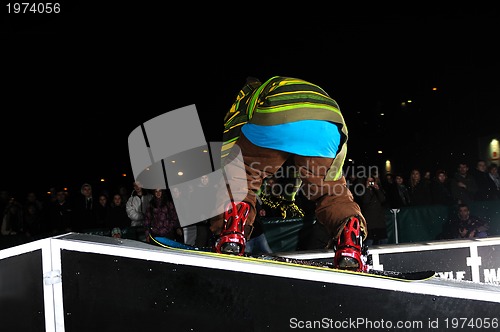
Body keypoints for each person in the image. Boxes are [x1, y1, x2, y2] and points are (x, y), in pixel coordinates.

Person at [210, 76, 367, 271]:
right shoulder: (290, 86)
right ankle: (349, 241)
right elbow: (314, 168)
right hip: (330, 123)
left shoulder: (245, 99)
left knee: (242, 177)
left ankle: (231, 232)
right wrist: (292, 196)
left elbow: (231, 147)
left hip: (277, 113)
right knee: (331, 193)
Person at [360, 176, 388, 246]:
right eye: (368, 181)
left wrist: (377, 189)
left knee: (383, 240)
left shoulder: (378, 190)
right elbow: (365, 201)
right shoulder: (362, 191)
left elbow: (383, 200)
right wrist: (367, 189)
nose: (370, 183)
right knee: (369, 241)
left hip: (379, 220)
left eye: (372, 181)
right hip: (370, 221)